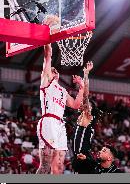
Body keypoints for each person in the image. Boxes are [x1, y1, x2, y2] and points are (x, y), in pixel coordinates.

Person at [36, 44, 84, 174]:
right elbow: (47, 56)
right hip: (49, 121)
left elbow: (76, 105)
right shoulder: (46, 82)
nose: (55, 70)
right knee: (45, 165)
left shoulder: (63, 91)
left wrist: (81, 87)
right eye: (51, 70)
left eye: (56, 70)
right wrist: (48, 40)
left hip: (60, 125)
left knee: (59, 166)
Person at [72, 61, 103, 174]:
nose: (84, 104)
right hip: (80, 155)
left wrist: (86, 75)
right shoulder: (83, 117)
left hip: (83, 155)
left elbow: (85, 95)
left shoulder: (88, 116)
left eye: (88, 105)